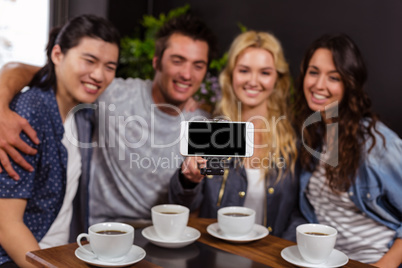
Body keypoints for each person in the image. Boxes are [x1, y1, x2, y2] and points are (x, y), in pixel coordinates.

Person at [0, 14, 216, 226]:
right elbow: (38, 72)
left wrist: (190, 182)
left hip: (160, 234)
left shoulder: (203, 123)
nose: (187, 74)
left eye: (198, 65)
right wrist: (0, 106)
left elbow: (188, 206)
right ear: (157, 62)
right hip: (99, 232)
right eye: (178, 61)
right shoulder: (110, 92)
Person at [0, 14, 120, 268]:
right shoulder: (30, 111)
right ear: (57, 55)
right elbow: (6, 225)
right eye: (89, 60)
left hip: (62, 252)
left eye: (109, 66)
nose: (99, 75)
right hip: (23, 258)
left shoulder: (83, 114)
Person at [169, 31, 306, 241]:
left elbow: (301, 212)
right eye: (244, 70)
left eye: (265, 72)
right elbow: (182, 210)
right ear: (231, 75)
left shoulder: (293, 139)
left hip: (270, 257)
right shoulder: (212, 131)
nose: (253, 81)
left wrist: (282, 252)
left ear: (277, 79)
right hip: (215, 252)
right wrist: (189, 181)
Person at [293, 33, 402, 266]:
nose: (318, 85)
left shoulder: (377, 143)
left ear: (349, 84)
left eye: (334, 77)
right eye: (313, 72)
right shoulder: (312, 135)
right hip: (326, 261)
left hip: (372, 261)